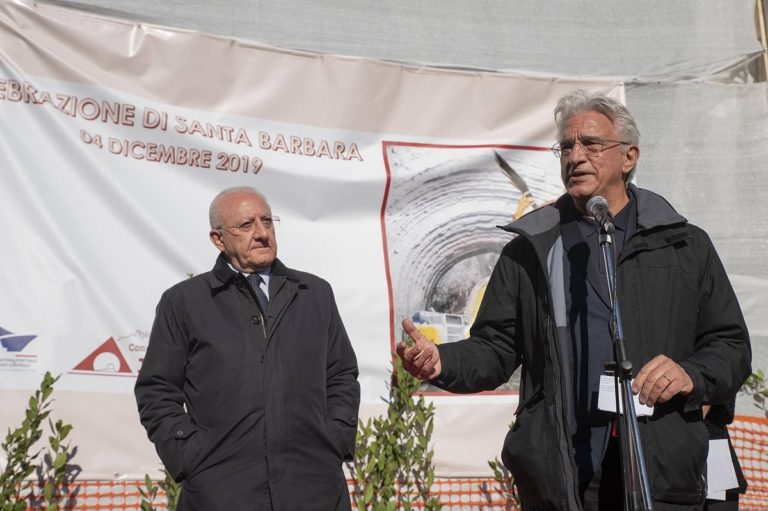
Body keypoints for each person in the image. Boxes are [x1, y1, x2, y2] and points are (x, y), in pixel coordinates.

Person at [398, 90, 751, 510]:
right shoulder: (532, 249)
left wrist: (690, 373)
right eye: (566, 146)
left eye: (591, 144)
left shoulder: (683, 245)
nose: (575, 156)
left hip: (662, 463)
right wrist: (442, 361)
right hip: (568, 471)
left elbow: (730, 345)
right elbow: (495, 348)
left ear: (629, 157)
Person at [135, 186, 360, 511]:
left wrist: (334, 439)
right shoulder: (184, 301)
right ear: (218, 238)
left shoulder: (315, 294)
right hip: (221, 492)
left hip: (314, 488)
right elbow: (157, 390)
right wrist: (190, 456)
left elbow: (341, 375)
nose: (261, 233)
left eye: (267, 221)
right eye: (246, 226)